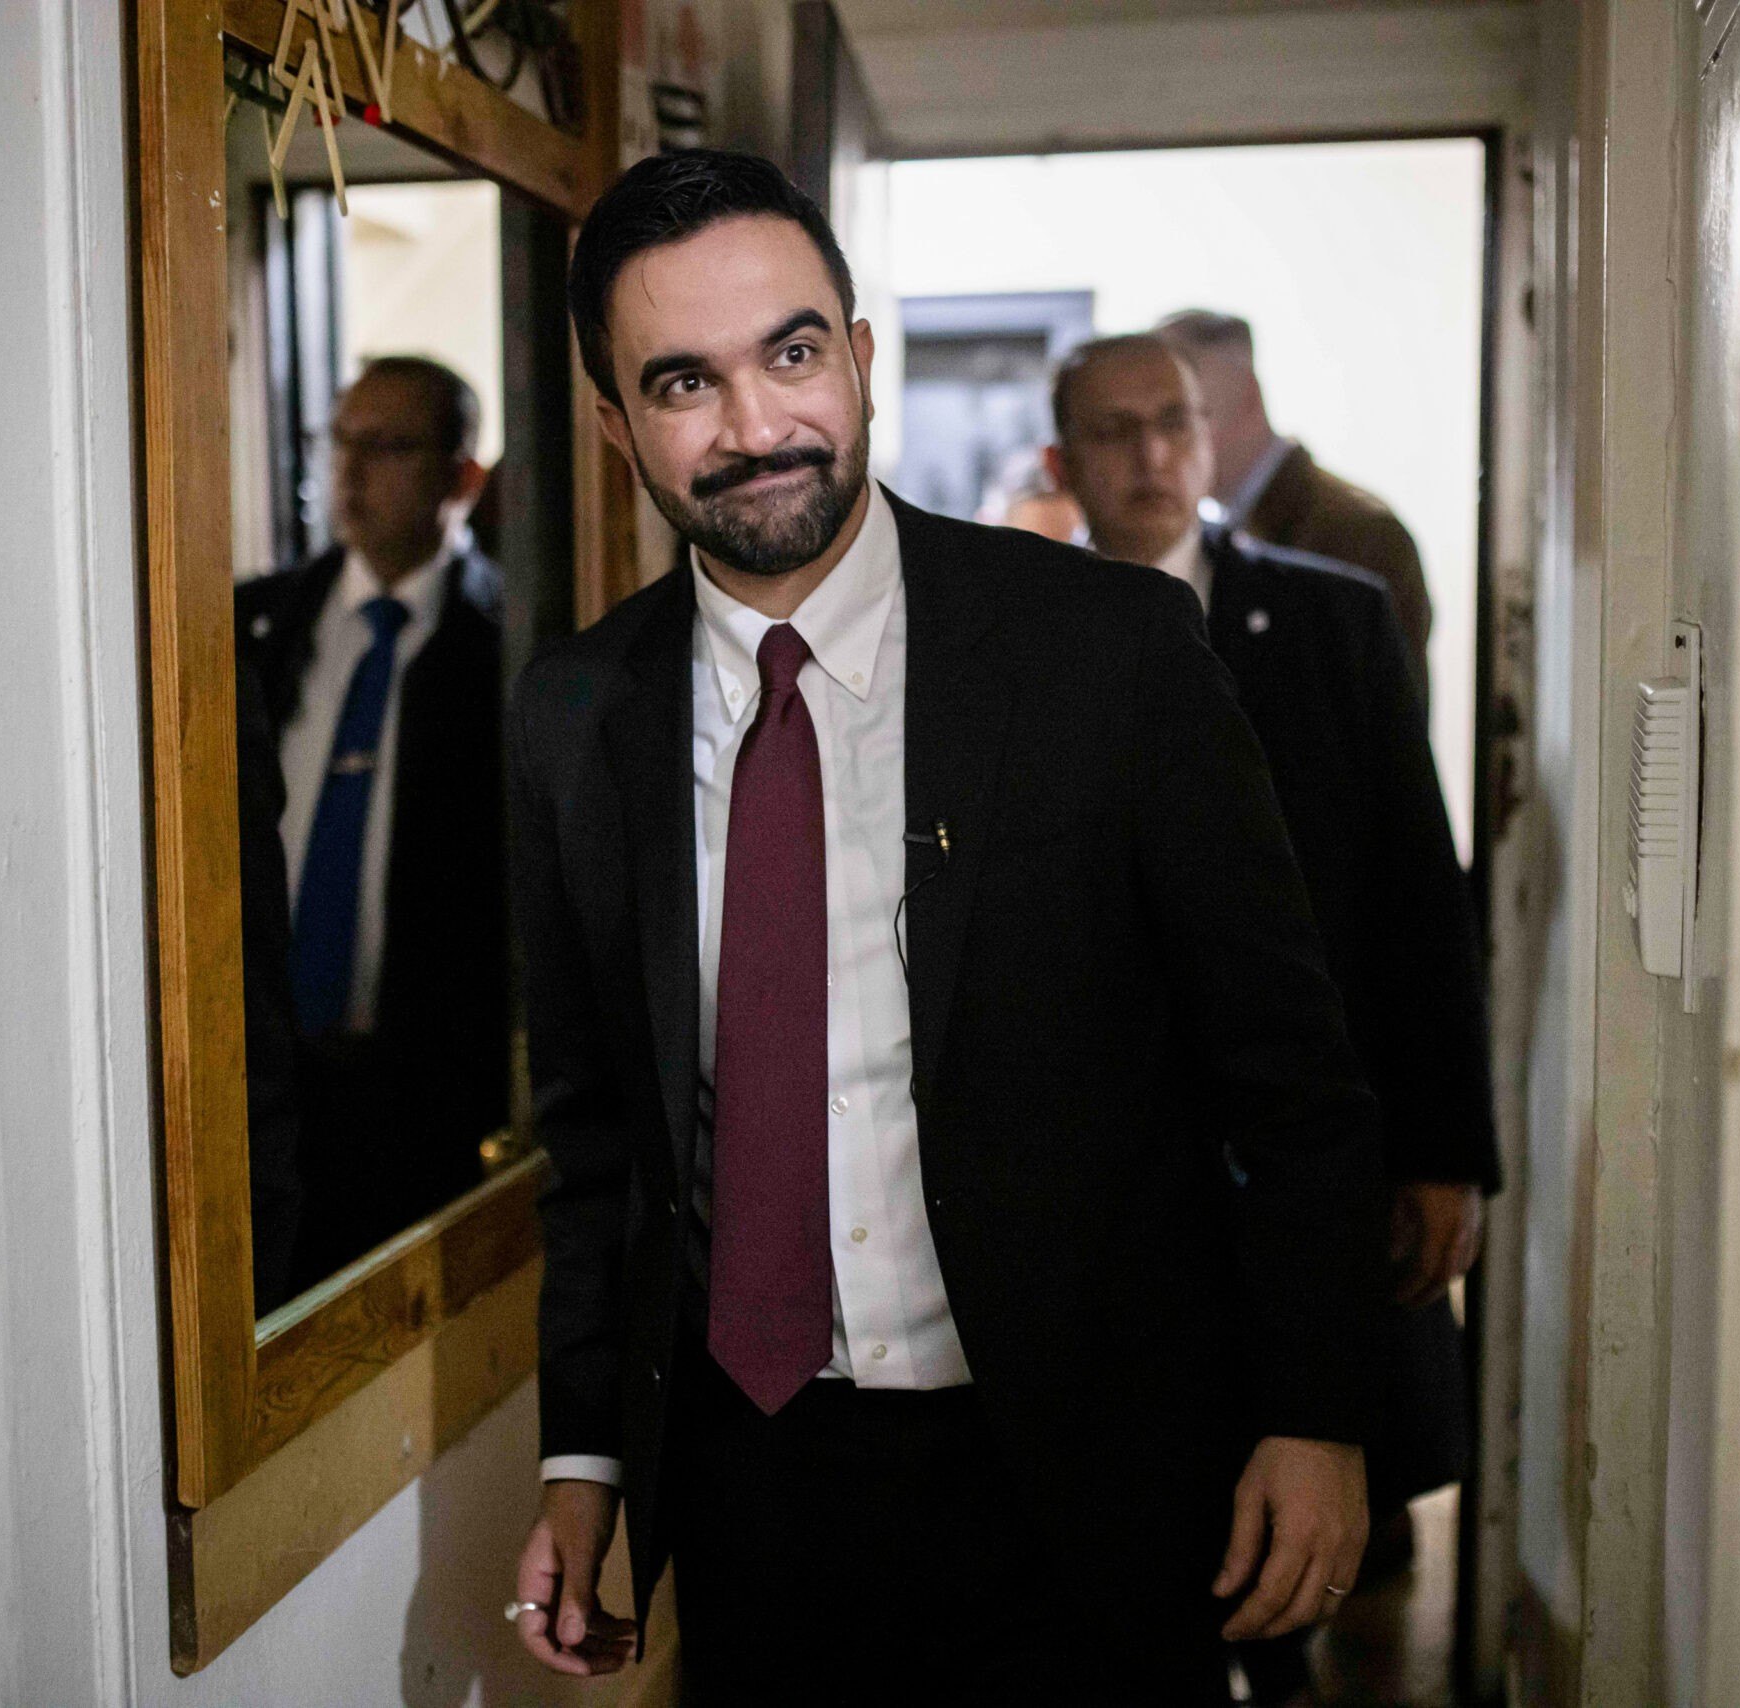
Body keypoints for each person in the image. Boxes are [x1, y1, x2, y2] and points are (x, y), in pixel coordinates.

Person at [506, 149, 1389, 1706]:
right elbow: (599, 1146)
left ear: (857, 355)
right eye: (681, 383)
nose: (755, 428)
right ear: (614, 424)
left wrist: (1315, 1408)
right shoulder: (576, 715)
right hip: (752, 1484)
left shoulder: (1105, 652)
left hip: (1087, 1468)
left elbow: (1291, 1073)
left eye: (789, 355)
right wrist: (587, 1457)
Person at [1045, 333, 1500, 1703]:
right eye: (1116, 432)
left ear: (1212, 434)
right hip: (1104, 1143)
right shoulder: (1019, 633)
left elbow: (1420, 893)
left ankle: (1285, 1660)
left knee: (1301, 1424)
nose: (1151, 458)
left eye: (1173, 424)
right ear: (1067, 459)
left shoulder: (1325, 618)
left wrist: (1444, 1146)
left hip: (1298, 1126)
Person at [236, 355, 510, 1288]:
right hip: (268, 1084)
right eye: (338, 441)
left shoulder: (511, 645)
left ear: (458, 476)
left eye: (385, 448)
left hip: (424, 1096)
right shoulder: (256, 624)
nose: (347, 474)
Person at [1154, 308, 1435, 703]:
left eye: (1183, 414)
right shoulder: (1207, 533)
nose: (1159, 448)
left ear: (1248, 399)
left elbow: (1389, 737)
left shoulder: (1360, 534)